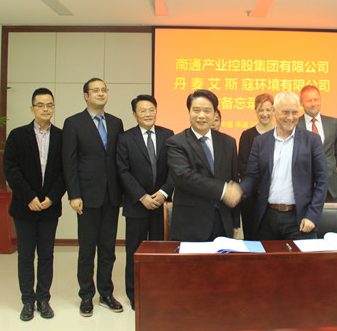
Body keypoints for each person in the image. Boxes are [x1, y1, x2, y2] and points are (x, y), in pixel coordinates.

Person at [62, 78, 124, 316]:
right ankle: (86, 295)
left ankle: (106, 293)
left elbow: (119, 159)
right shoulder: (73, 123)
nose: (101, 93)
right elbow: (69, 162)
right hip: (86, 196)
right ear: (85, 96)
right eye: (95, 90)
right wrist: (74, 194)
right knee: (87, 248)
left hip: (111, 195)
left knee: (108, 248)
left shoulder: (116, 123)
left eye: (104, 90)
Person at [3, 88, 66, 321]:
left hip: (50, 207)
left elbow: (65, 172)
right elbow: (11, 170)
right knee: (26, 256)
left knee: (47, 255)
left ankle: (43, 300)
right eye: (40, 105)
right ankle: (28, 301)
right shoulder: (17, 135)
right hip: (24, 207)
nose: (45, 109)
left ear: (54, 107)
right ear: (32, 108)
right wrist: (29, 197)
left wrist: (52, 197)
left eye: (49, 105)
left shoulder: (62, 136)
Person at [239, 91, 327, 240]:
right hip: (267, 219)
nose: (290, 117)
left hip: (300, 219)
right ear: (274, 111)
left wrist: (312, 216)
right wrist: (237, 191)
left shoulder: (312, 140)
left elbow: (322, 180)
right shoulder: (260, 142)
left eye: (295, 112)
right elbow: (252, 177)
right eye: (285, 112)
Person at [116, 95, 174, 309]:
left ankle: (157, 290)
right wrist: (141, 196)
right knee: (135, 251)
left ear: (156, 111)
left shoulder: (168, 135)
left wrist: (164, 192)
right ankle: (135, 294)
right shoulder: (125, 138)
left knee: (160, 250)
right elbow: (123, 171)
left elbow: (175, 168)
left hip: (161, 204)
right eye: (142, 110)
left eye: (151, 109)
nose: (148, 114)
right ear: (134, 114)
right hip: (136, 205)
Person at [165, 89, 241, 241]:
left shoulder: (229, 142)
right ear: (189, 112)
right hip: (190, 224)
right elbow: (184, 177)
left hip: (222, 222)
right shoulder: (176, 143)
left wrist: (234, 223)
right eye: (196, 110)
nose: (201, 115)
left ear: (214, 113)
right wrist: (223, 190)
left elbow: (234, 182)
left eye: (207, 110)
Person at [297, 85, 337, 202]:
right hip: (303, 186)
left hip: (329, 186)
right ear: (301, 103)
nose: (313, 104)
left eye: (316, 100)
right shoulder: (295, 125)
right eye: (309, 101)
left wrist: (326, 168)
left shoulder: (333, 123)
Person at [238, 93, 274, 240]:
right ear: (255, 111)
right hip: (252, 197)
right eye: (261, 110)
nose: (265, 114)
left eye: (268, 110)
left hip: (274, 197)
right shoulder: (247, 135)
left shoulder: (281, 134)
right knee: (252, 239)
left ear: (274, 110)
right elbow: (243, 166)